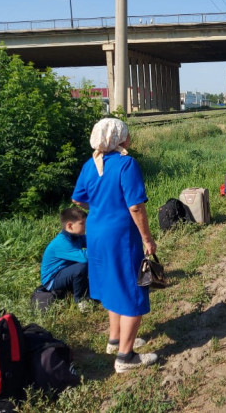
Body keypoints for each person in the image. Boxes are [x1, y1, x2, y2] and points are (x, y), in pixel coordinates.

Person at [71, 118, 158, 372]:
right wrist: (147, 238)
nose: (128, 138)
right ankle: (125, 357)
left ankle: (115, 339)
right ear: (118, 138)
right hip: (120, 237)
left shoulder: (90, 164)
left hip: (96, 234)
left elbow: (78, 199)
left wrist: (100, 207)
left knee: (111, 284)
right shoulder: (126, 164)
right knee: (133, 290)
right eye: (126, 134)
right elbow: (135, 206)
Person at [40, 207, 90, 309]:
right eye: (82, 223)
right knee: (82, 266)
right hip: (52, 280)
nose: (85, 227)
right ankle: (80, 301)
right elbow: (85, 257)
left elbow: (91, 241)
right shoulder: (62, 242)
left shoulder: (75, 237)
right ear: (70, 226)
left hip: (65, 272)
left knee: (83, 265)